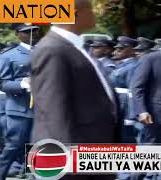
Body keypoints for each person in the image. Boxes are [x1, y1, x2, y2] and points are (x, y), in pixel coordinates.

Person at [31, 2, 120, 180]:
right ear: (75, 14)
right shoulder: (53, 49)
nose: (95, 14)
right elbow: (53, 109)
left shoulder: (75, 47)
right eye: (91, 10)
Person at [0, 23, 40, 179]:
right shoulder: (8, 56)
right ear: (18, 34)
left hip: (42, 109)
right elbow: (3, 83)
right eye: (27, 31)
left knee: (36, 147)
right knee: (13, 146)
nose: (32, 34)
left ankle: (31, 176)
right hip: (20, 108)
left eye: (35, 31)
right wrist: (23, 84)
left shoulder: (46, 52)